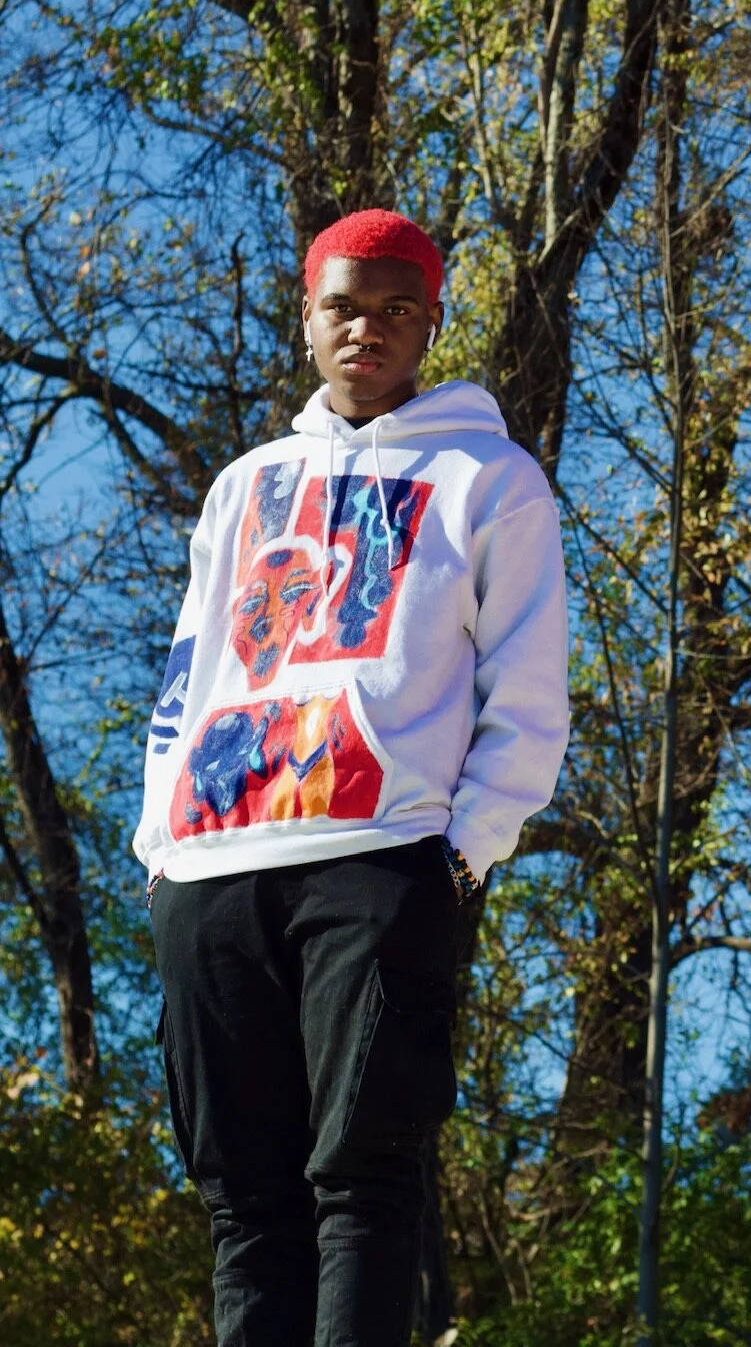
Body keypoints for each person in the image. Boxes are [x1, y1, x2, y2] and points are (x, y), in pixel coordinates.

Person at [138, 210, 572, 1345]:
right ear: (307, 315)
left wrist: (461, 854)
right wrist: (158, 849)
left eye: (393, 310)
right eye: (343, 306)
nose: (365, 330)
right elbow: (189, 670)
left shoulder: (491, 478)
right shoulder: (246, 486)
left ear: (429, 321)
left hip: (382, 859)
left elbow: (528, 690)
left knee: (364, 1182)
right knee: (243, 1198)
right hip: (216, 864)